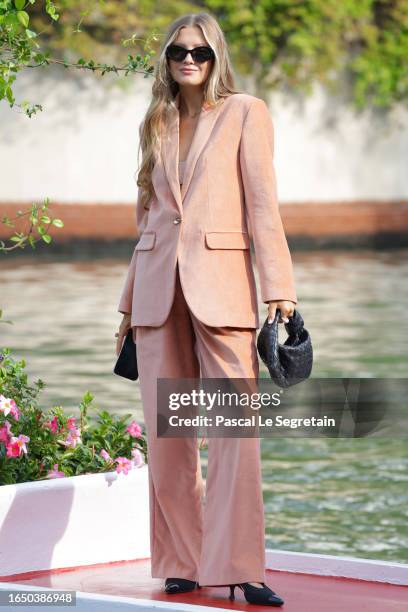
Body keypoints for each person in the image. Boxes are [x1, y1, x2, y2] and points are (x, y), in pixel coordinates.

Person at [115, 12, 297, 607]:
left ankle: (241, 565)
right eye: (177, 51)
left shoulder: (247, 112)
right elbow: (146, 220)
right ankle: (181, 561)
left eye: (200, 51)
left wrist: (281, 293)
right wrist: (126, 305)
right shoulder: (156, 120)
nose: (188, 60)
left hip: (224, 290)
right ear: (165, 59)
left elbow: (264, 207)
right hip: (155, 292)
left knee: (233, 435)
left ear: (216, 56)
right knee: (170, 439)